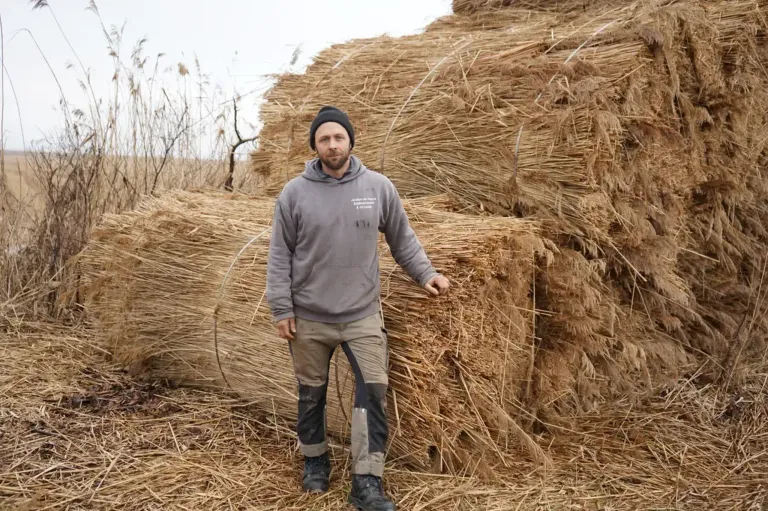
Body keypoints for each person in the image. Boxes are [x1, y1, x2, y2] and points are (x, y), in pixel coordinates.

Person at [266, 106, 450, 511]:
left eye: (338, 137)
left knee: (373, 394)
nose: (332, 145)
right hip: (310, 317)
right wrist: (282, 309)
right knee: (311, 394)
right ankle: (315, 461)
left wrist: (427, 275)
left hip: (362, 315)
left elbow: (403, 240)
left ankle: (366, 481)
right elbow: (279, 255)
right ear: (314, 146)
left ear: (351, 140)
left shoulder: (378, 187)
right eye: (324, 139)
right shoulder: (294, 193)